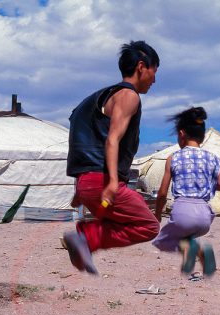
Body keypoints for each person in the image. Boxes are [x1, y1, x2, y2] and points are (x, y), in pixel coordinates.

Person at [63, 40, 161, 274]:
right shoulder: (128, 95)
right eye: (154, 72)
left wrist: (81, 191)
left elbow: (89, 140)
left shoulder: (94, 99)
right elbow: (112, 139)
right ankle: (86, 238)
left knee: (118, 222)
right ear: (141, 67)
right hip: (104, 183)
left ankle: (86, 240)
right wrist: (114, 183)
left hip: (88, 183)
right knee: (149, 226)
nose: (154, 80)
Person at [152, 107, 220, 277]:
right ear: (202, 136)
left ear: (181, 134)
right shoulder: (212, 158)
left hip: (182, 212)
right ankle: (190, 259)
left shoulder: (174, 157)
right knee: (187, 237)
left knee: (163, 241)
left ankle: (197, 251)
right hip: (204, 216)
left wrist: (157, 214)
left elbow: (163, 192)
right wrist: (204, 182)